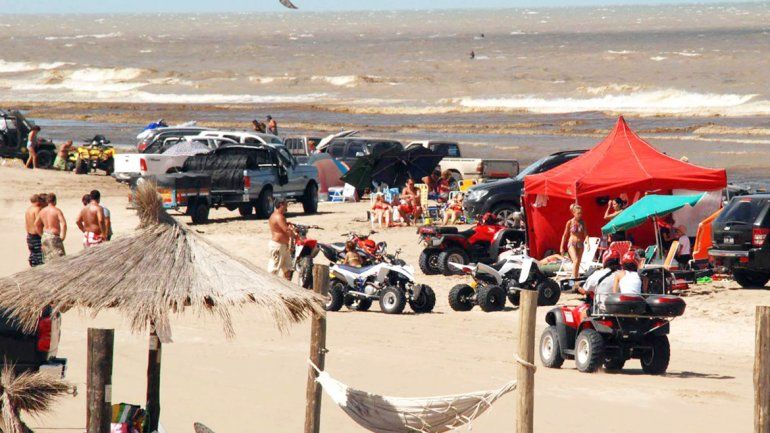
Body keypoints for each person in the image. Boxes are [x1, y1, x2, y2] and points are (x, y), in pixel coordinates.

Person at [35, 193, 67, 262]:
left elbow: (36, 224)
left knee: (48, 260)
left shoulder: (42, 211)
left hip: (45, 236)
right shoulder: (57, 210)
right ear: (55, 201)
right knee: (60, 260)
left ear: (47, 201)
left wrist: (41, 234)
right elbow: (63, 224)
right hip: (54, 237)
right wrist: (63, 236)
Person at [268, 199, 294, 280]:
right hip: (278, 246)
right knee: (273, 271)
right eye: (286, 204)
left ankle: (287, 288)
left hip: (284, 246)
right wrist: (294, 235)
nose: (287, 207)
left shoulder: (280, 216)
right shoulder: (278, 216)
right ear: (281, 204)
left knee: (288, 270)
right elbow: (286, 230)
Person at [560, 204, 587, 281]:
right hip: (572, 243)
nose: (580, 215)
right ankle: (572, 281)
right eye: (578, 213)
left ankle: (575, 282)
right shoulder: (570, 222)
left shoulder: (582, 222)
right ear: (573, 213)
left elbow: (585, 234)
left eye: (581, 213)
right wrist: (561, 247)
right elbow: (565, 235)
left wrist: (588, 242)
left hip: (580, 244)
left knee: (578, 263)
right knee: (575, 260)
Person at [24, 194, 44, 267]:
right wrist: (42, 235)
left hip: (29, 236)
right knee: (40, 257)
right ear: (38, 200)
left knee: (33, 255)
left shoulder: (28, 209)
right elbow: (37, 224)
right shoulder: (37, 209)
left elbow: (26, 224)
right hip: (36, 236)